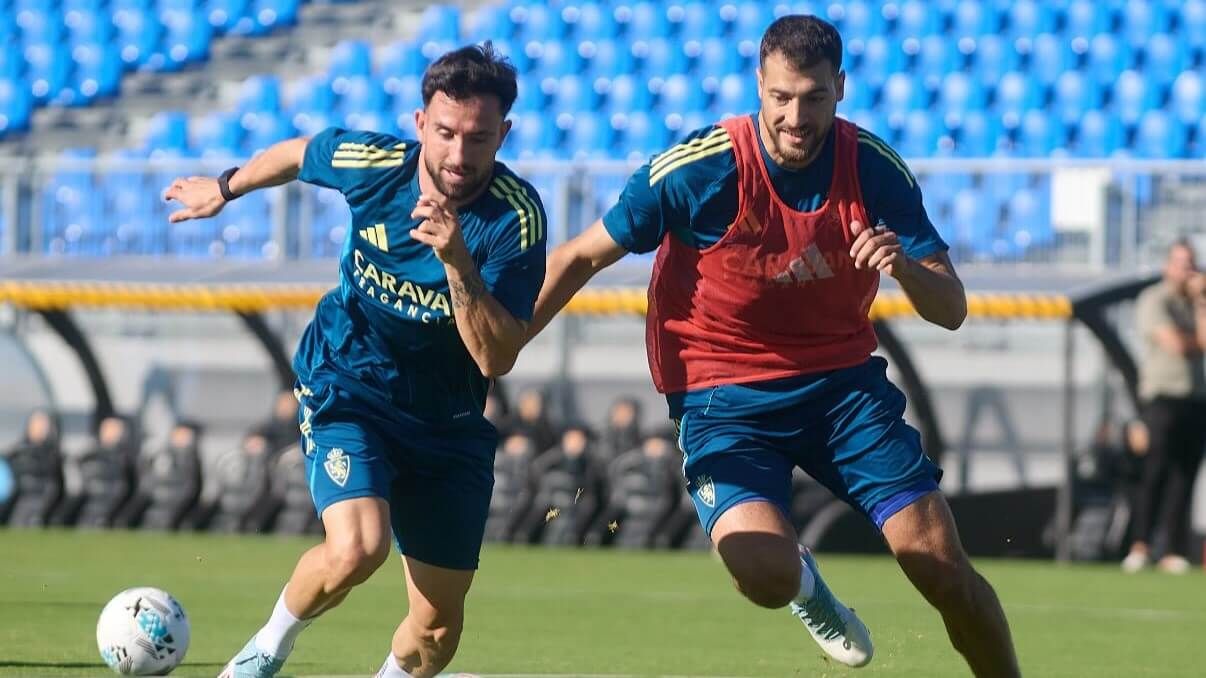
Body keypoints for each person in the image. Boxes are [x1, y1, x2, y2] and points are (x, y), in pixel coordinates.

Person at [526, 15, 1019, 675]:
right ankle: (803, 585)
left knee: (943, 572)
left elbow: (951, 309)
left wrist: (902, 266)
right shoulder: (697, 170)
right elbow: (581, 256)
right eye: (781, 97)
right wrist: (496, 349)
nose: (796, 115)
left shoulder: (871, 168)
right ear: (758, 84)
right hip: (720, 397)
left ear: (840, 88)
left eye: (813, 97)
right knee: (764, 576)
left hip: (842, 391)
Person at [164, 44, 546, 678]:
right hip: (349, 384)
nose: (457, 154)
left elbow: (495, 356)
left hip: (447, 423)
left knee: (437, 630)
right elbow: (297, 153)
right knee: (359, 547)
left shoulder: (516, 218)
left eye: (477, 138)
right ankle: (262, 653)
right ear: (421, 123)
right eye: (445, 133)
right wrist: (226, 188)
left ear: (502, 134)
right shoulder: (375, 165)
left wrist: (457, 261)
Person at [1122, 239, 1206, 574]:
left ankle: (1172, 549)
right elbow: (1177, 344)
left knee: (1183, 476)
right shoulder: (1154, 299)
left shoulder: (1196, 303)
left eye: (1191, 263)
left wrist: (1200, 303)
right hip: (1162, 396)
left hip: (1195, 399)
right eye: (1181, 263)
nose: (1187, 270)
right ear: (1167, 266)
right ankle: (1139, 544)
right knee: (1153, 472)